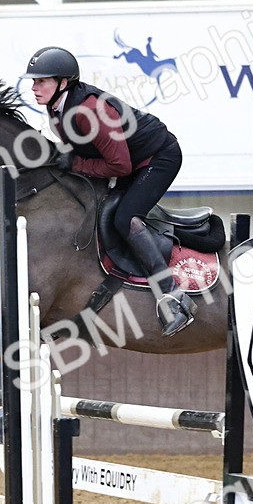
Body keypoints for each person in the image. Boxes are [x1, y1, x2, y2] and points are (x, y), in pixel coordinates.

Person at [22, 45, 195, 336]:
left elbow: (120, 166)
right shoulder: (56, 111)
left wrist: (75, 163)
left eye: (42, 81)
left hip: (158, 157)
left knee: (125, 218)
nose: (34, 87)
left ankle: (175, 298)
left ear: (64, 83)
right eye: (33, 81)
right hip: (130, 160)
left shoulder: (91, 112)